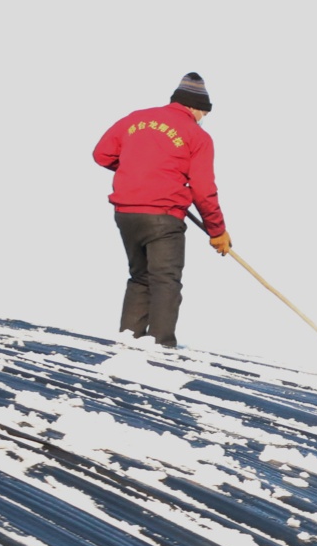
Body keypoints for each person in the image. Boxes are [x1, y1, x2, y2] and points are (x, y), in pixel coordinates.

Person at [91, 72, 233, 348]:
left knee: (140, 277)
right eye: (204, 112)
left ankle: (128, 340)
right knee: (165, 281)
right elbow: (204, 190)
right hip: (163, 216)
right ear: (194, 106)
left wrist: (139, 170)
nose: (203, 117)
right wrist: (217, 231)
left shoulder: (135, 119)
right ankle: (161, 347)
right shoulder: (197, 135)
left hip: (126, 213)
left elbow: (101, 154)